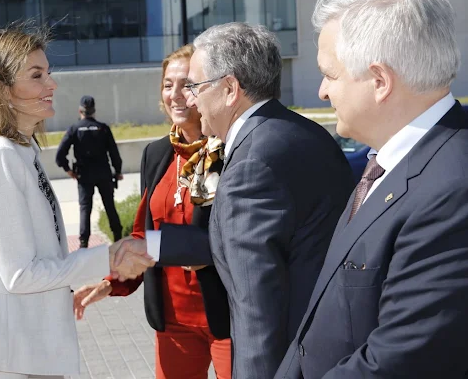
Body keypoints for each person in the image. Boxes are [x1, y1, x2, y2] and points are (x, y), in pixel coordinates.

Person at [116, 22, 355, 378]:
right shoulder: (302, 133)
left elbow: (257, 303)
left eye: (195, 86)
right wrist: (151, 246)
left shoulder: (251, 160)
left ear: (230, 89)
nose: (190, 99)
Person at [275, 0, 468, 378]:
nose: (322, 92)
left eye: (330, 74)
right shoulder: (386, 164)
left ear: (379, 81)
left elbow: (401, 360)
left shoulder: (451, 190)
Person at [0, 23, 153, 379]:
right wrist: (107, 257)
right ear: (3, 89)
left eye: (49, 73)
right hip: (4, 356)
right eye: (37, 75)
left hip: (28, 349)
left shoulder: (21, 150)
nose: (52, 84)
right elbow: (21, 274)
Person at [73, 44, 232, 379]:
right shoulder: (156, 154)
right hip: (172, 321)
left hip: (228, 318)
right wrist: (110, 282)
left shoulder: (229, 151)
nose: (175, 95)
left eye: (186, 84)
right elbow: (143, 236)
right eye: (167, 84)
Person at [55, 95, 123, 247]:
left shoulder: (74, 129)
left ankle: (84, 243)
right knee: (109, 205)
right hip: (104, 174)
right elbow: (114, 153)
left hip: (84, 175)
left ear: (80, 110)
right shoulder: (103, 128)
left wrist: (68, 170)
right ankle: (118, 238)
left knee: (85, 208)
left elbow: (60, 155)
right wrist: (118, 171)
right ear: (94, 111)